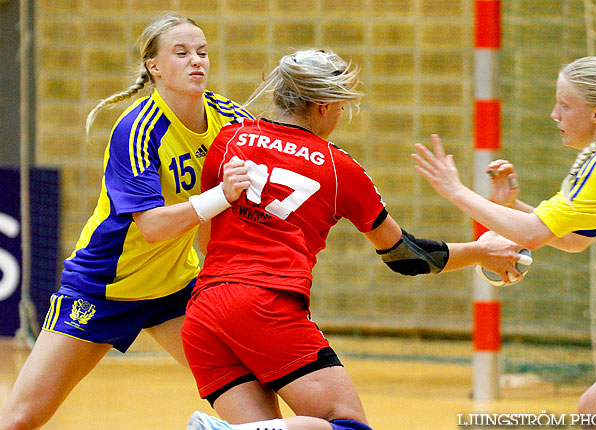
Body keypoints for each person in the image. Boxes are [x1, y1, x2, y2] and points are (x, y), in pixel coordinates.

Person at [181, 49, 527, 430]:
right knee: (347, 427)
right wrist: (479, 252)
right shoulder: (337, 166)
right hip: (266, 304)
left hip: (204, 311)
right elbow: (406, 257)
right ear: (324, 106)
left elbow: (207, 234)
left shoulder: (230, 139)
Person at [412, 56, 596, 429]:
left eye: (564, 104)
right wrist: (511, 205)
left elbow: (532, 233)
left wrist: (455, 191)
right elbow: (574, 239)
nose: (554, 114)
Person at [0, 12, 253, 430]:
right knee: (20, 420)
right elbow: (152, 227)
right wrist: (219, 196)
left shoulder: (230, 119)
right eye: (182, 52)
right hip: (103, 287)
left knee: (248, 397)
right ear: (154, 66)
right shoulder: (138, 128)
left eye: (203, 52)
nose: (197, 61)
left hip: (174, 289)